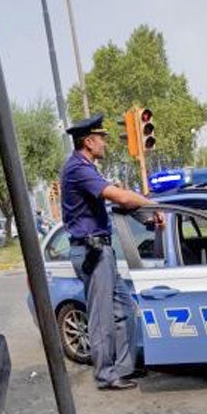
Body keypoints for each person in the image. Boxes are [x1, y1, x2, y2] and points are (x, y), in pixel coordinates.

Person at [60, 114, 163, 390]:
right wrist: (150, 204)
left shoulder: (87, 168)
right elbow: (117, 197)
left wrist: (142, 210)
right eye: (101, 138)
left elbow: (117, 195)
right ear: (88, 141)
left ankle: (123, 368)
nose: (105, 143)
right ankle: (105, 375)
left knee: (125, 308)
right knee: (102, 315)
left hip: (100, 250)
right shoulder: (77, 169)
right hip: (91, 251)